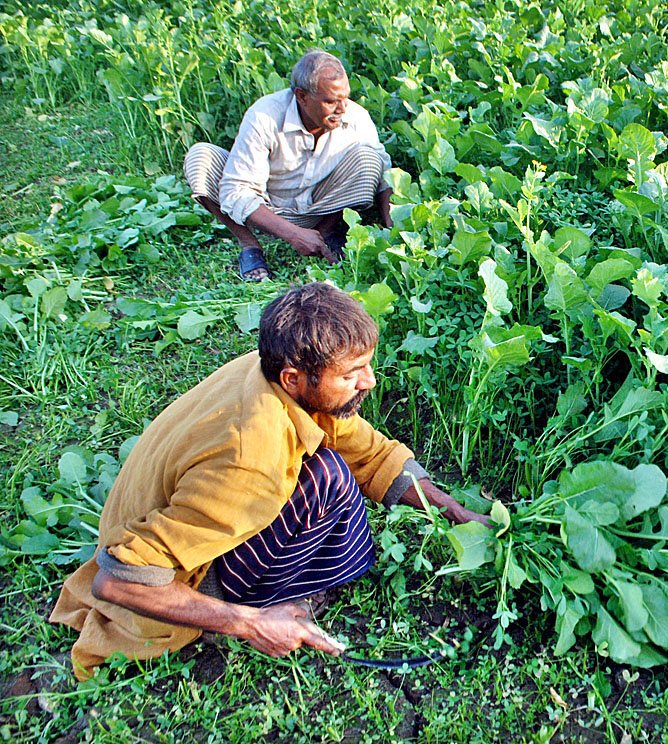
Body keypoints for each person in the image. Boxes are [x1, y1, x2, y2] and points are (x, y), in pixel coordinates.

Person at [50, 282, 489, 680]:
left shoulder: (270, 371)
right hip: (177, 581)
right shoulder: (250, 464)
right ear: (295, 379)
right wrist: (250, 623)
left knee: (334, 466)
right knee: (330, 481)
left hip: (170, 523)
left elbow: (372, 454)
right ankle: (248, 609)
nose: (369, 383)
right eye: (351, 374)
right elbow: (119, 581)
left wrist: (458, 513)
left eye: (366, 367)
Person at [183, 50, 395, 282]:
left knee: (370, 158)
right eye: (331, 101)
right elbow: (236, 191)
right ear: (301, 96)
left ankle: (326, 233)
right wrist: (293, 234)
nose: (342, 109)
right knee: (200, 158)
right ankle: (249, 243)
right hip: (265, 209)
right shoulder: (264, 115)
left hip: (322, 205)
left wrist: (391, 224)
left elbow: (384, 174)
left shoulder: (355, 117)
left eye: (345, 98)